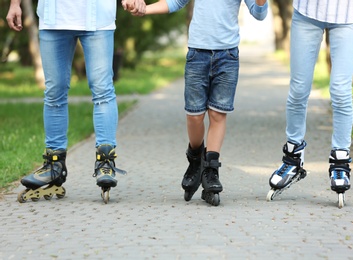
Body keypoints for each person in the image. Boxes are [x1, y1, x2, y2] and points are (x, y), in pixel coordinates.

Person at [123, 0, 268, 206]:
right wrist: (146, 9)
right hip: (197, 54)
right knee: (194, 115)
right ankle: (195, 158)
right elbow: (175, 2)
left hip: (227, 55)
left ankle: (211, 171)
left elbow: (259, 13)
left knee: (218, 114)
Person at [6, 0, 146, 203]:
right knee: (54, 94)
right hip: (54, 19)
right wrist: (15, 4)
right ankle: (54, 165)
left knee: (102, 91)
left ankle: (105, 162)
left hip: (98, 18)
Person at [267, 0, 353, 208]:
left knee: (340, 90)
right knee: (299, 89)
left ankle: (340, 160)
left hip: (350, 11)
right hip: (309, 8)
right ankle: (293, 157)